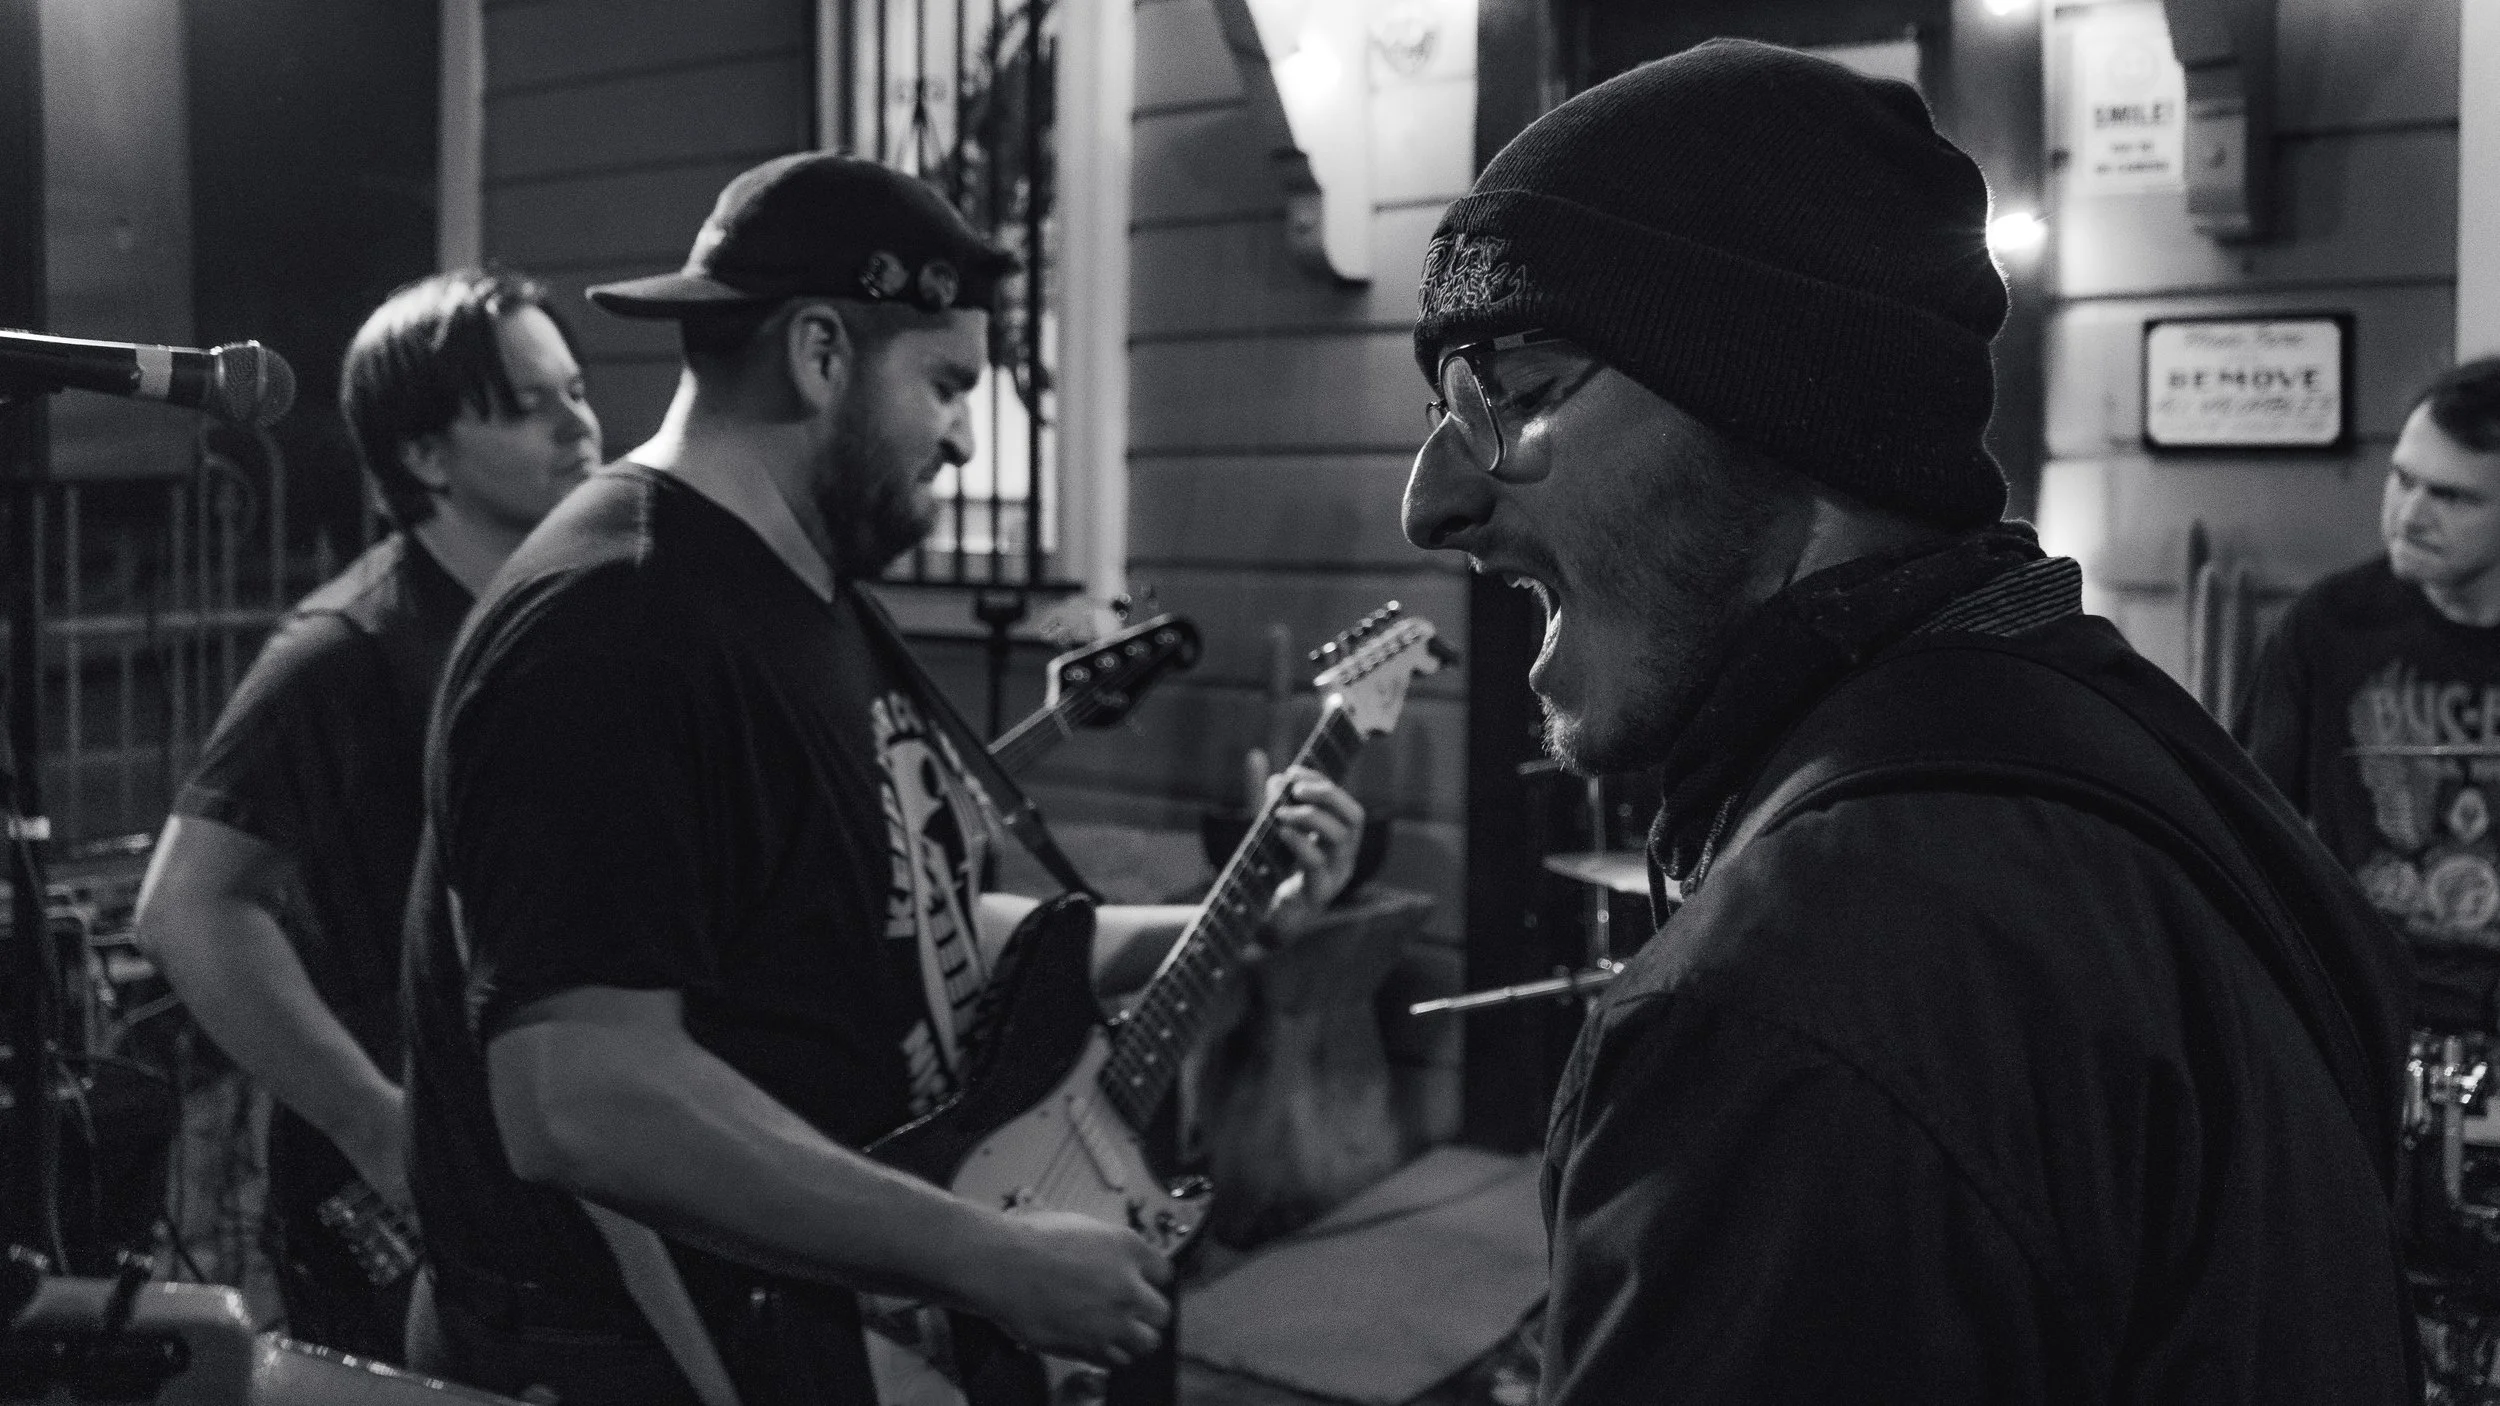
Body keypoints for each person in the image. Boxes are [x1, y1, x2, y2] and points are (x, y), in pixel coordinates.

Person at [1400, 40, 2417, 1403]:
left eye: (1510, 390)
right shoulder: (2159, 764)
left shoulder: (1792, 997)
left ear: (1785, 405)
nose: (1433, 501)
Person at [399, 152, 1365, 1405]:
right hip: (636, 1356)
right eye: (948, 384)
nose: (965, 436)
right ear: (818, 353)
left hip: (814, 1322)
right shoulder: (615, 621)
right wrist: (988, 1258)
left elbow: (897, 928)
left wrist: (1223, 920)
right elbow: (581, 1092)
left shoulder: (806, 594)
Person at [132, 267, 599, 1360]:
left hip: (555, 1176)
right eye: (529, 404)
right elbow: (188, 906)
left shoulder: (565, 617)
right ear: (424, 456)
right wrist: (375, 1124)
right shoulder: (342, 648)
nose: (579, 424)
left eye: (576, 389)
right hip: (407, 1225)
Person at [2238, 359, 2500, 1027]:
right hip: (2369, 1024)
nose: (2409, 516)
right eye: (2403, 480)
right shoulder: (2329, 624)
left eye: (2454, 497)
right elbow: (2245, 833)